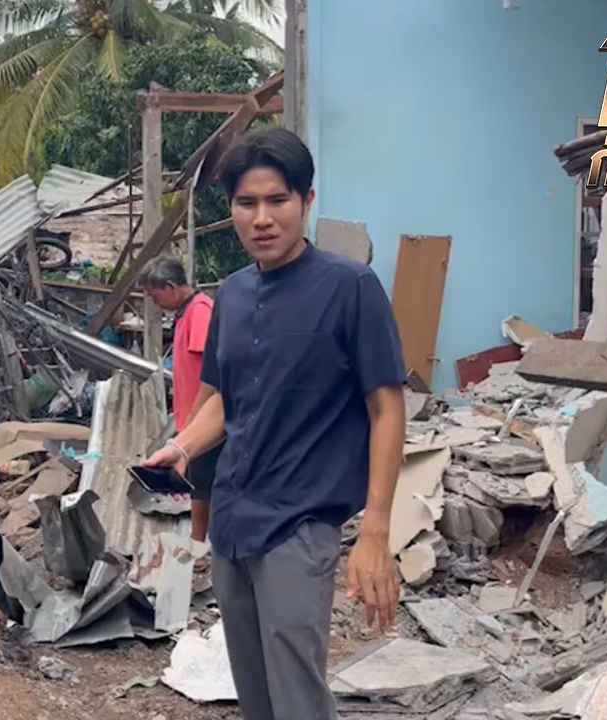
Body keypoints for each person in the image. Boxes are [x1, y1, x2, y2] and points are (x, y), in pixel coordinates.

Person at [143, 128, 408, 720]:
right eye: (246, 203)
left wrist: (375, 532)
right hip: (234, 522)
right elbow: (223, 399)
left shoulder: (350, 288)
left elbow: (387, 408)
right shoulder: (231, 295)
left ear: (306, 202)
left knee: (297, 699)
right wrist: (183, 447)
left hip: (300, 522)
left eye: (277, 200)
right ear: (231, 209)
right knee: (256, 699)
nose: (262, 218)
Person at [137, 256, 219, 565]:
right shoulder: (187, 313)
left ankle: (199, 545)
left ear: (170, 287)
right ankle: (200, 542)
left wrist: (196, 419)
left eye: (154, 296)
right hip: (192, 418)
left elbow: (210, 377)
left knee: (202, 485)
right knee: (200, 483)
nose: (154, 304)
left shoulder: (200, 313)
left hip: (204, 419)